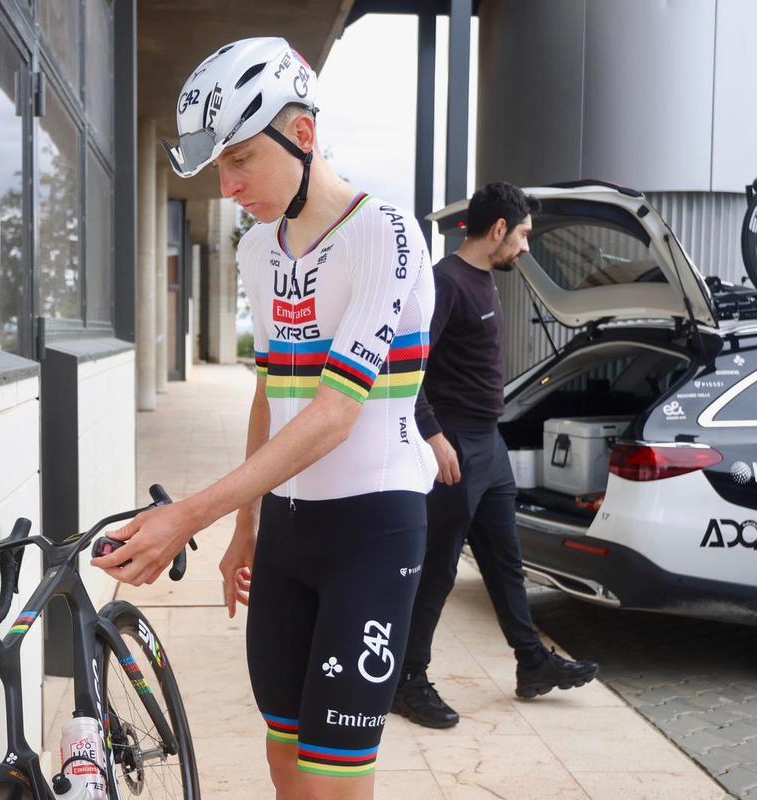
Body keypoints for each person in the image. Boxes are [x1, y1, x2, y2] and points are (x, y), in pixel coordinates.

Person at [93, 37, 437, 800]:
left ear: (303, 135)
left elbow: (332, 417)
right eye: (221, 165)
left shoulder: (386, 232)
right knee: (285, 764)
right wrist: (246, 526)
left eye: (241, 158)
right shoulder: (258, 248)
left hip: (374, 531)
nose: (228, 183)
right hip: (285, 535)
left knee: (331, 777)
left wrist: (190, 515)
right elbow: (271, 394)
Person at [390, 182, 600, 729]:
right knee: (436, 572)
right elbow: (404, 363)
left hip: (490, 443)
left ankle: (531, 662)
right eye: (525, 235)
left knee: (506, 563)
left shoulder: (484, 281)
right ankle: (407, 681)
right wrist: (433, 436)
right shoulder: (445, 282)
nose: (527, 248)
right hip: (455, 446)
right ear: (500, 229)